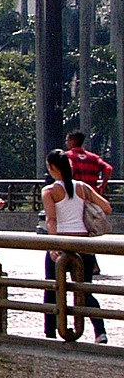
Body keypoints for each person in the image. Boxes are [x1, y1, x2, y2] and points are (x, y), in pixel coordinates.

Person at [43, 147, 112, 343]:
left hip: (61, 243)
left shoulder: (49, 191)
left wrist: (53, 244)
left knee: (52, 288)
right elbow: (106, 207)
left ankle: (51, 332)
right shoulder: (82, 187)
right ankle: (100, 331)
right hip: (83, 244)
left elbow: (51, 220)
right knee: (84, 289)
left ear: (52, 167)